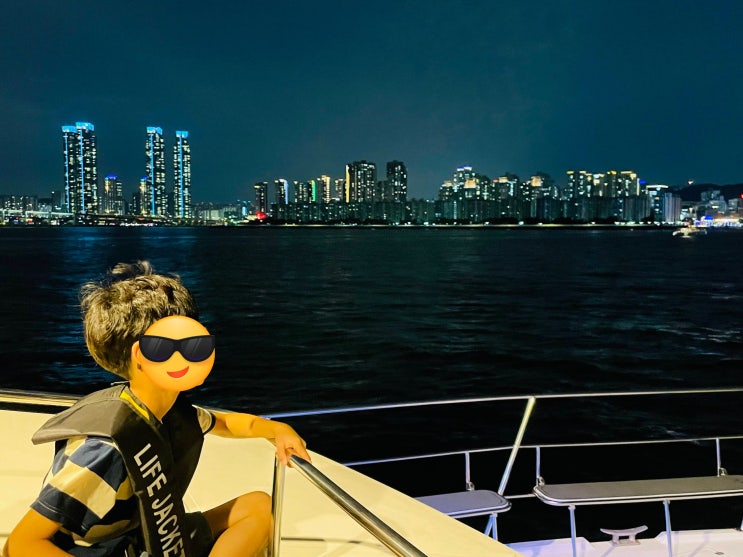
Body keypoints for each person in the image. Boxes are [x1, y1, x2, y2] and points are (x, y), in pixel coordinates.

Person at [2, 261, 311, 557]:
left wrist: (277, 429)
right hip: (103, 550)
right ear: (143, 354)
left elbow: (225, 423)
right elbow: (20, 545)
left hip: (141, 538)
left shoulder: (169, 411)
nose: (197, 350)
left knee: (257, 507)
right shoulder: (105, 448)